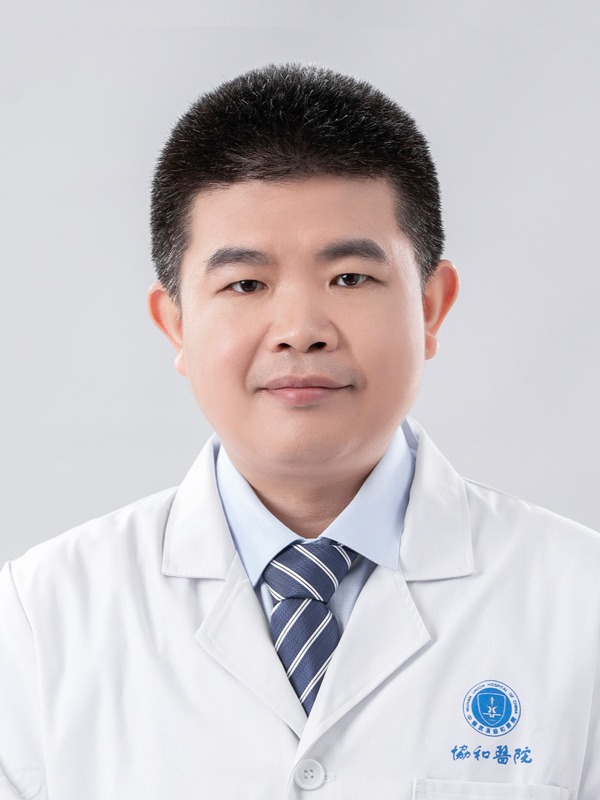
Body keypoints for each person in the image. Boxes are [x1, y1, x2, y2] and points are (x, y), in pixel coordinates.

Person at [0, 63, 598, 800]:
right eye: (245, 284)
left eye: (350, 277)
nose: (300, 330)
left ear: (431, 306)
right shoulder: (39, 621)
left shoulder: (580, 605)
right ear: (176, 324)